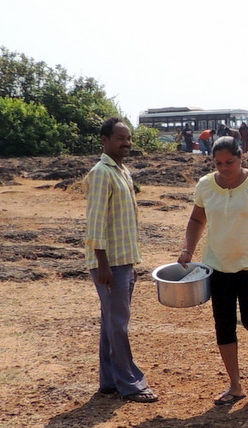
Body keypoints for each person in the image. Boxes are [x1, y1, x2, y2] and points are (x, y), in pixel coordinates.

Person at [177, 137, 248, 406]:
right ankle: (235, 385)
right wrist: (187, 250)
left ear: (241, 158)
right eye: (218, 163)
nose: (224, 167)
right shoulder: (206, 185)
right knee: (224, 324)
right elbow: (197, 219)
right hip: (216, 265)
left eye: (229, 162)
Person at [84, 118, 158, 403]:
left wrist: (130, 264)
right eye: (120, 138)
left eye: (128, 138)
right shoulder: (102, 173)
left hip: (122, 260)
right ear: (105, 140)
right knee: (118, 323)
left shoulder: (122, 171)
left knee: (110, 322)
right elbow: (96, 223)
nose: (126, 143)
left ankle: (109, 381)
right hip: (110, 263)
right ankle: (130, 383)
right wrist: (103, 264)